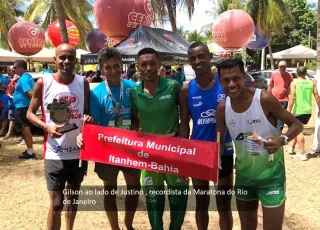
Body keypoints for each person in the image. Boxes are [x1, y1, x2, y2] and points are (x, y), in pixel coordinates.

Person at [216, 58, 303, 230]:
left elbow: (297, 124)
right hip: (244, 179)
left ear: (244, 76)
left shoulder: (264, 99)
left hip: (272, 179)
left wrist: (281, 140)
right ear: (220, 81)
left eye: (236, 78)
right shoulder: (222, 109)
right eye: (226, 80)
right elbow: (217, 144)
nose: (231, 84)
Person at [26, 44, 90, 230]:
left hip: (78, 152)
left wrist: (88, 118)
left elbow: (86, 113)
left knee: (73, 199)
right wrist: (46, 126)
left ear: (76, 61)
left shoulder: (82, 83)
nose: (66, 61)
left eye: (70, 57)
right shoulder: (43, 82)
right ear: (55, 60)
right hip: (54, 152)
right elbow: (30, 113)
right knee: (56, 204)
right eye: (62, 57)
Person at [77, 47, 140, 230]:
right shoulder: (96, 94)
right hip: (107, 150)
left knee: (134, 188)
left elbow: (137, 117)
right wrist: (87, 124)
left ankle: (128, 225)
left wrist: (136, 130)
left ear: (122, 66)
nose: (113, 71)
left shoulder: (133, 88)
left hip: (130, 147)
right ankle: (115, 228)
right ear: (101, 69)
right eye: (108, 67)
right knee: (109, 191)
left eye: (116, 66)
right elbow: (95, 122)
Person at [130, 48, 188, 230]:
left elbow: (186, 118)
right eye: (143, 64)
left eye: (152, 63)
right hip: (149, 157)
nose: (148, 68)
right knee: (154, 202)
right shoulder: (134, 93)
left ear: (159, 64)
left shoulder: (173, 87)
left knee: (179, 199)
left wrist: (179, 134)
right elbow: (133, 122)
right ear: (138, 67)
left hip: (174, 155)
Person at [179, 42, 234, 230]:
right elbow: (184, 125)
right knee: (201, 202)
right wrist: (183, 157)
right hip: (198, 153)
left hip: (223, 151)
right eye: (193, 58)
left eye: (201, 56)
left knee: (224, 204)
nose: (198, 61)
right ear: (189, 62)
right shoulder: (186, 90)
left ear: (209, 56)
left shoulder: (226, 83)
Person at [287, 66, 320, 160]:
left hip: (298, 111)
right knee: (298, 129)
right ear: (306, 73)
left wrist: (288, 111)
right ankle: (292, 148)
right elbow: (317, 96)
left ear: (297, 73)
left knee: (298, 131)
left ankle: (302, 153)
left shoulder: (295, 83)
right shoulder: (311, 82)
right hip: (308, 111)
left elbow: (292, 98)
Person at [12, 60, 36, 159]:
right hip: (22, 106)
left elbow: (30, 93)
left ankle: (30, 152)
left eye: (15, 67)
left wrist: (35, 105)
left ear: (21, 67)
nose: (13, 69)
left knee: (25, 129)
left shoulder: (24, 78)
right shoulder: (26, 77)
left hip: (22, 107)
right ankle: (29, 150)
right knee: (25, 129)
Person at [267, 61, 293, 132]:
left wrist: (291, 95)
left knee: (281, 116)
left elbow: (291, 87)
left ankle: (280, 130)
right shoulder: (274, 75)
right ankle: (273, 129)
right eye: (281, 67)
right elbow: (270, 86)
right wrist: (267, 95)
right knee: (273, 114)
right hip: (274, 99)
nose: (282, 68)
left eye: (284, 67)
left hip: (284, 100)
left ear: (286, 67)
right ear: (278, 67)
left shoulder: (289, 76)